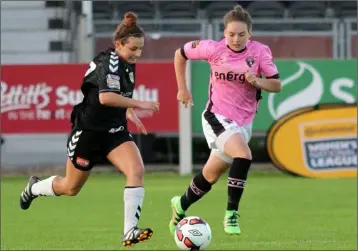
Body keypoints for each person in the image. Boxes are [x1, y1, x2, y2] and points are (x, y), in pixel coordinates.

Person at [19, 12, 159, 247]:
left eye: (140, 49)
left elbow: (118, 95)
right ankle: (34, 188)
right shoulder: (109, 62)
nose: (137, 54)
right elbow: (105, 98)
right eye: (133, 48)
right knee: (70, 188)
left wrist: (128, 111)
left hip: (114, 130)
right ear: (118, 44)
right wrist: (140, 103)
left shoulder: (127, 63)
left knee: (136, 170)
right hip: (88, 132)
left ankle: (129, 231)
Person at [169, 5, 282, 236]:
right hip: (216, 116)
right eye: (231, 34)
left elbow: (276, 85)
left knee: (209, 176)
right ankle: (231, 214)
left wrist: (258, 82)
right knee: (243, 155)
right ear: (224, 33)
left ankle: (180, 205)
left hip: (243, 124)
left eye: (241, 34)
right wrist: (183, 88)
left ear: (249, 33)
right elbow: (180, 54)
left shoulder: (260, 52)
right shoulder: (213, 49)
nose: (236, 39)